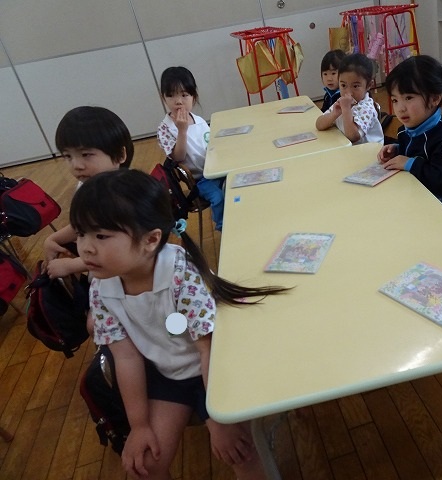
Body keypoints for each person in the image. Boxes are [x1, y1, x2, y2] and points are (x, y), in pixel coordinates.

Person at [71, 169, 290, 480]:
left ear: (150, 240)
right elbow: (126, 357)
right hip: (167, 374)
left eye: (101, 236)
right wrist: (139, 426)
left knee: (240, 453)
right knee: (146, 467)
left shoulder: (178, 274)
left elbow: (208, 349)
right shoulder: (100, 286)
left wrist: (220, 418)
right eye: (81, 234)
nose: (86, 248)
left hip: (215, 369)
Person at [43, 106, 134, 278]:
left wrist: (72, 265)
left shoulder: (124, 197)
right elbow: (84, 223)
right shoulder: (88, 185)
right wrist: (53, 239)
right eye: (68, 156)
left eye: (86, 154)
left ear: (120, 155)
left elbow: (124, 252)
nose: (76, 165)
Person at [377, 55, 442, 219]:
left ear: (434, 98)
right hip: (415, 199)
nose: (400, 108)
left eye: (408, 98)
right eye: (395, 100)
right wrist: (397, 150)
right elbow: (419, 152)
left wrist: (409, 162)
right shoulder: (407, 130)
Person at [157, 66, 225, 231]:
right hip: (201, 180)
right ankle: (223, 226)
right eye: (171, 95)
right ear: (163, 98)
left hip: (217, 170)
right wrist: (182, 131)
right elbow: (178, 158)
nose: (178, 101)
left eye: (184, 95)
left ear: (194, 96)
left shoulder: (199, 120)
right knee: (218, 197)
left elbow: (211, 144)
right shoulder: (165, 128)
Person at [315, 53, 383, 145]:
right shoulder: (342, 102)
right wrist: (334, 114)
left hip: (370, 152)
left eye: (355, 86)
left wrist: (346, 110)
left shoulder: (367, 108)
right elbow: (319, 124)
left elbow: (353, 137)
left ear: (368, 85)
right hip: (348, 149)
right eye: (343, 85)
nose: (348, 92)